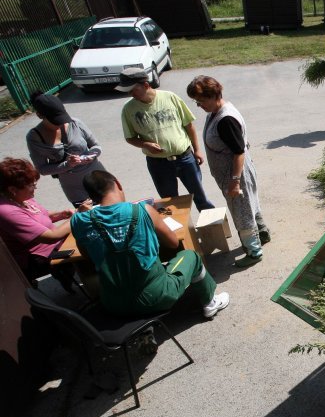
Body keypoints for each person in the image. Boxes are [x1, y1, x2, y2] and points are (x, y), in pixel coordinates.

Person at [70, 170, 229, 318]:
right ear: (118, 184)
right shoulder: (142, 210)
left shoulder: (79, 220)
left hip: (114, 304)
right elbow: (173, 243)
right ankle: (210, 302)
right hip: (155, 298)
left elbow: (87, 256)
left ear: (91, 197)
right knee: (191, 256)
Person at [186, 75, 271, 268]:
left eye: (201, 101)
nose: (198, 105)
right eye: (196, 102)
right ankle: (263, 233)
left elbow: (239, 152)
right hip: (234, 172)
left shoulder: (226, 119)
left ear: (214, 95)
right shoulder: (216, 112)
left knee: (242, 213)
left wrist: (235, 181)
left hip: (236, 173)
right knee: (250, 205)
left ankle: (254, 251)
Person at [116, 68, 215, 212]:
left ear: (145, 85)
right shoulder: (128, 109)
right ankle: (183, 233)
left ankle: (213, 232)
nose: (130, 93)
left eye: (133, 89)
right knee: (170, 204)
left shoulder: (170, 97)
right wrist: (145, 144)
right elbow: (130, 138)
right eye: (128, 91)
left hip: (185, 158)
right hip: (158, 164)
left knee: (200, 198)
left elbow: (189, 125)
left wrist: (197, 150)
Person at [0, 157, 81, 290]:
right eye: (31, 185)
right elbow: (51, 237)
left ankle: (69, 274)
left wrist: (61, 214)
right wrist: (78, 216)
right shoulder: (6, 211)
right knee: (87, 246)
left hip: (53, 245)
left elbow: (40, 215)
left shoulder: (21, 198)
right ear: (12, 189)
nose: (35, 187)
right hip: (37, 257)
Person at [26, 92, 106, 207]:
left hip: (100, 179)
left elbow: (96, 146)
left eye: (62, 117)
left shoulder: (75, 123)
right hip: (76, 190)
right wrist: (67, 165)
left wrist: (90, 155)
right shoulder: (34, 137)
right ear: (39, 115)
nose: (61, 123)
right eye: (55, 120)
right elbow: (42, 169)